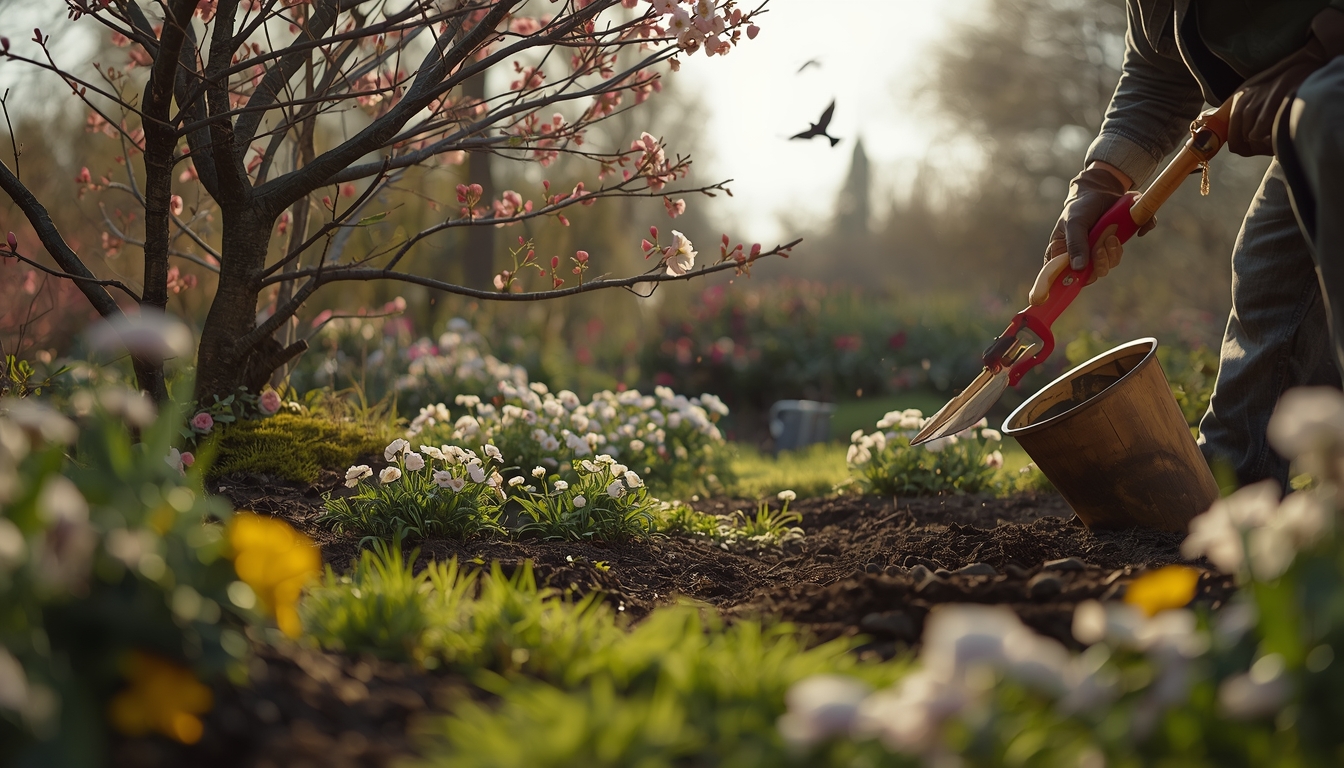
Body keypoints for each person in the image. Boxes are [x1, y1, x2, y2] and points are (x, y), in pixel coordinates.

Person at [1048, 0, 1344, 488]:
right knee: (1270, 274)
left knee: (1327, 114)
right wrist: (1100, 180)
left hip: (1329, 106)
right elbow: (1157, 70)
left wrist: (1320, 54)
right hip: (1314, 113)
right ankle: (1230, 497)